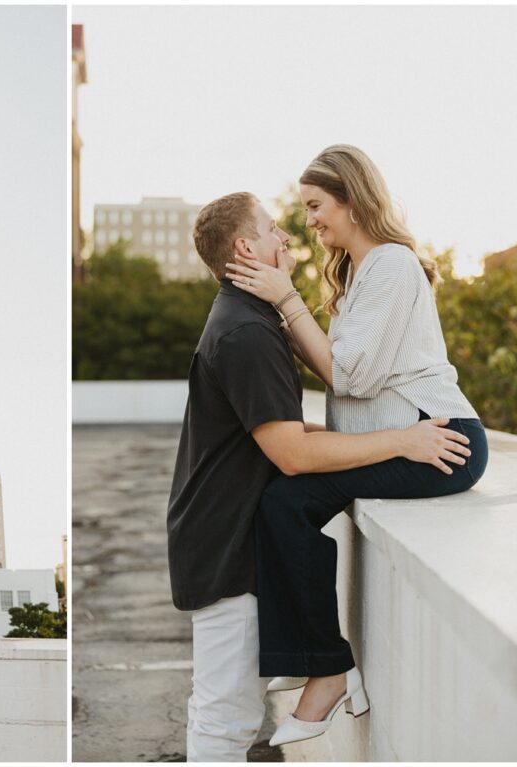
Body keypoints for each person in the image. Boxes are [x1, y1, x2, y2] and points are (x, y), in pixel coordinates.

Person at [168, 190, 475, 761]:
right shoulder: (246, 331)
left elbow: (282, 433)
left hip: (226, 534)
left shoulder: (251, 318)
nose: (287, 236)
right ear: (246, 247)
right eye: (273, 228)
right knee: (222, 721)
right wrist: (405, 440)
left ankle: (326, 670)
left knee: (221, 715)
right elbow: (292, 454)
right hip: (225, 546)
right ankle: (328, 671)